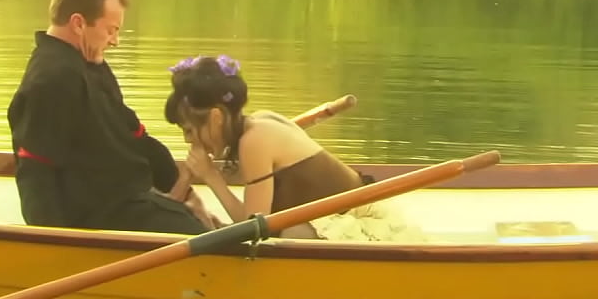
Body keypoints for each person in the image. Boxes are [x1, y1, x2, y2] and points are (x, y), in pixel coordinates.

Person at [7, 0, 217, 234]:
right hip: (97, 217)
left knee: (203, 226)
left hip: (129, 202)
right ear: (78, 23)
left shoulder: (90, 65)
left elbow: (136, 137)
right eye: (111, 30)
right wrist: (55, 247)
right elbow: (36, 173)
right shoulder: (50, 80)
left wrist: (185, 193)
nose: (115, 41)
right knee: (196, 233)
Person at [163, 54, 431, 242]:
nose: (189, 141)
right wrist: (190, 178)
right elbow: (248, 187)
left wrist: (211, 177)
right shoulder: (257, 124)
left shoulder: (254, 141)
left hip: (357, 225)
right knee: (205, 216)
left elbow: (253, 227)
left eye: (189, 130)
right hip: (340, 215)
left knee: (290, 235)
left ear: (216, 118)